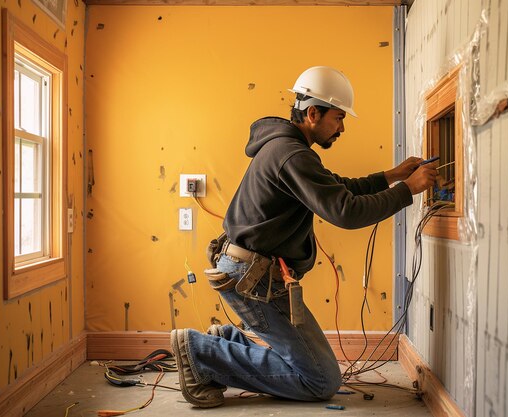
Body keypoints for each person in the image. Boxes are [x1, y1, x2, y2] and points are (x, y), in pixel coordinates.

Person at [170, 66, 438, 408]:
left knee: (316, 371)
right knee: (320, 380)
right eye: (339, 117)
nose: (341, 127)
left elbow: (337, 188)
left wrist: (390, 176)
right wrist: (407, 190)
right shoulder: (292, 154)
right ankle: (201, 352)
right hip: (251, 280)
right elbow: (345, 211)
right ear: (314, 113)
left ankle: (225, 344)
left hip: (254, 274)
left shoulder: (289, 149)